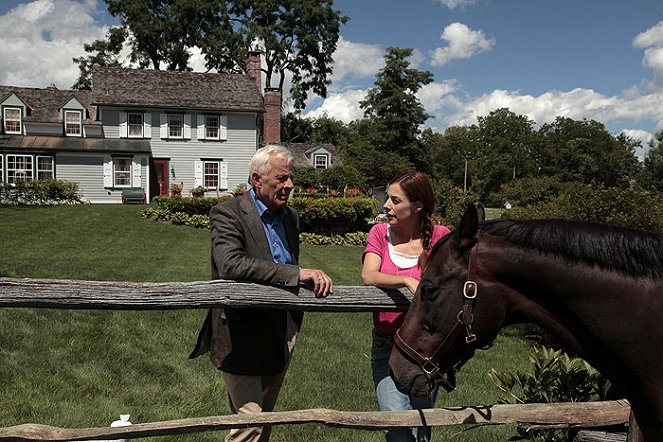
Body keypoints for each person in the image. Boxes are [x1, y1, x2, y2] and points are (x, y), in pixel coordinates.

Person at [190, 145, 333, 442]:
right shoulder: (227, 213)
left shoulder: (290, 217)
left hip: (279, 331)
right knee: (249, 425)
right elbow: (231, 264)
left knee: (264, 422)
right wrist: (297, 273)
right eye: (281, 179)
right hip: (239, 334)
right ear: (257, 179)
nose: (290, 185)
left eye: (290, 178)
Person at [361, 171, 451, 442]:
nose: (386, 205)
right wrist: (405, 280)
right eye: (387, 198)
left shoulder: (440, 237)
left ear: (417, 206)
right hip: (388, 344)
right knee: (397, 429)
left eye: (395, 200)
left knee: (421, 429)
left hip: (427, 349)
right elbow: (369, 276)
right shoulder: (379, 233)